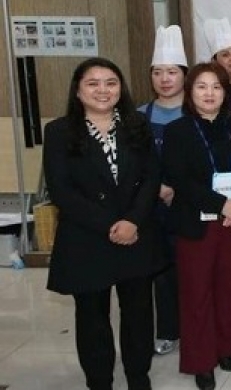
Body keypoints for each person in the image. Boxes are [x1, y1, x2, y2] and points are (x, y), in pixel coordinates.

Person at [44, 57, 161, 390]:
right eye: (93, 83)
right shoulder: (59, 131)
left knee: (138, 314)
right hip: (87, 238)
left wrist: (132, 221)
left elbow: (151, 178)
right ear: (78, 91)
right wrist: (111, 225)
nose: (103, 90)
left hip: (135, 234)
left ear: (120, 87)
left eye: (110, 82)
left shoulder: (137, 124)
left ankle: (139, 378)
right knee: (92, 317)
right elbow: (61, 190)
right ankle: (99, 382)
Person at [163, 62, 231, 390]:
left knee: (227, 288)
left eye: (216, 87)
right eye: (202, 87)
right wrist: (222, 205)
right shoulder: (178, 131)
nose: (209, 93)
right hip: (197, 223)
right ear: (190, 92)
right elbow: (181, 180)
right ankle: (201, 361)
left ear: (225, 92)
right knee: (196, 294)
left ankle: (225, 348)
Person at [139, 26, 188, 357]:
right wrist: (157, 188)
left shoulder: (198, 112)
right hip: (151, 207)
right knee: (161, 273)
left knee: (194, 271)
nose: (165, 79)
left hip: (191, 205)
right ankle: (168, 330)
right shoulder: (139, 116)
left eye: (171, 72)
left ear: (184, 75)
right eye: (158, 72)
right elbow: (132, 165)